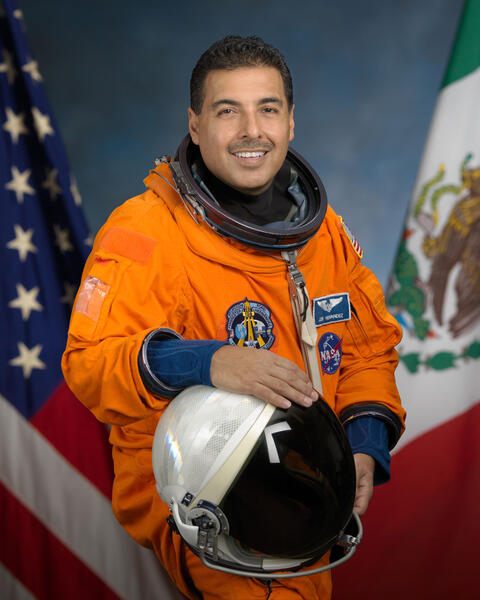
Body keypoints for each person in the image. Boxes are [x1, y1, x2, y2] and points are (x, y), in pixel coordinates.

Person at [62, 35, 405, 600]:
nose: (252, 130)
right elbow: (90, 363)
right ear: (195, 125)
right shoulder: (147, 232)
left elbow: (367, 348)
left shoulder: (325, 235)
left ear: (291, 122)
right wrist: (211, 361)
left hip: (307, 481)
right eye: (229, 111)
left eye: (267, 109)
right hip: (209, 494)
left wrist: (364, 442)